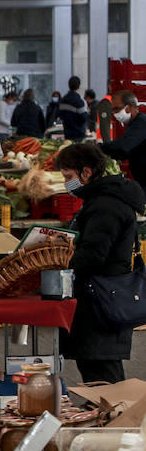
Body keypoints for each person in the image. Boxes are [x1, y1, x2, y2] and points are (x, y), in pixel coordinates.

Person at [54, 142, 145, 384]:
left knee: (103, 376)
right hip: (102, 298)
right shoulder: (103, 199)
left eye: (69, 177)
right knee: (98, 372)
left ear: (86, 172)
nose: (67, 183)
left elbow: (93, 255)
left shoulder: (105, 205)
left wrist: (62, 265)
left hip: (100, 303)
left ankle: (117, 420)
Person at [103, 90, 146, 183]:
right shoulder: (132, 124)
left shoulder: (141, 123)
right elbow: (122, 154)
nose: (114, 114)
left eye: (117, 109)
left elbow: (123, 147)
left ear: (129, 107)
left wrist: (99, 147)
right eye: (113, 110)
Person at [59, 77, 89, 142]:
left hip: (67, 133)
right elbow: (84, 117)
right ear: (79, 87)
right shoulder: (79, 101)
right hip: (78, 134)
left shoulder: (63, 101)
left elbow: (61, 115)